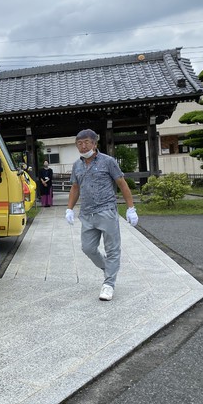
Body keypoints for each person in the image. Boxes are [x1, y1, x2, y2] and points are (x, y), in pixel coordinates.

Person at [65, 129, 138, 301]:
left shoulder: (108, 161)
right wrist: (69, 208)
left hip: (107, 210)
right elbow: (75, 188)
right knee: (88, 248)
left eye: (86, 143)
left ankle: (108, 284)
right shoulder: (77, 165)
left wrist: (131, 208)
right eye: (79, 144)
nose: (83, 147)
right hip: (87, 213)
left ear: (95, 144)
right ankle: (109, 268)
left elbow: (122, 184)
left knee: (112, 249)